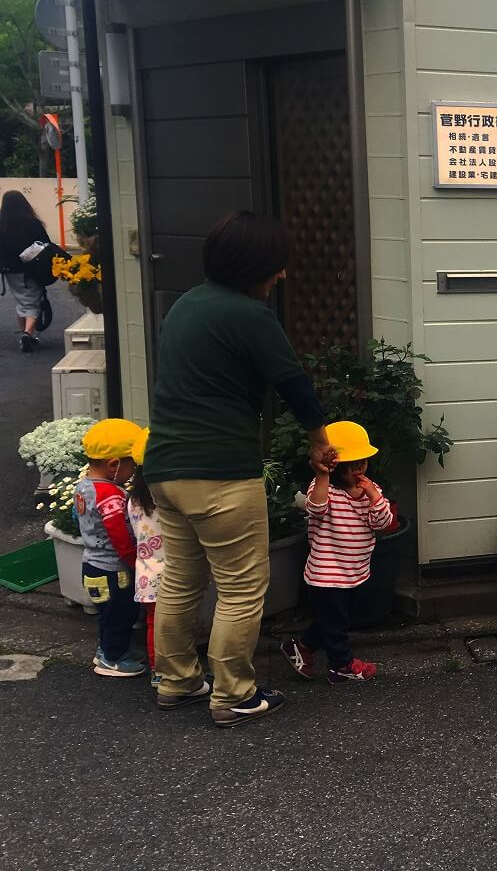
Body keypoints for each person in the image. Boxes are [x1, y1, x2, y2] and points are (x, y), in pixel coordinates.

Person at [146, 211, 336, 728]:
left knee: (182, 580)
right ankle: (233, 695)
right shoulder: (250, 314)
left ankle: (177, 681)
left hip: (164, 466)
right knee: (241, 586)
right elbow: (292, 383)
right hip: (221, 472)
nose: (283, 274)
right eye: (277, 265)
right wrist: (320, 442)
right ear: (258, 265)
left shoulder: (185, 305)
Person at [281, 421, 393, 684]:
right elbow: (316, 509)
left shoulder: (370, 491)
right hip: (325, 574)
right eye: (350, 466)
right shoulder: (325, 488)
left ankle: (302, 646)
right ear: (334, 466)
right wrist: (321, 475)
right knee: (336, 623)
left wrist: (374, 497)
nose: (358, 470)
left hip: (355, 571)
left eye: (362, 463)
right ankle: (341, 666)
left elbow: (383, 523)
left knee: (333, 619)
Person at [76, 418, 146, 679]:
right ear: (114, 464)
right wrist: (132, 559)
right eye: (132, 465)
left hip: (92, 564)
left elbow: (79, 519)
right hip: (114, 569)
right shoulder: (111, 495)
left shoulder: (84, 487)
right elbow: (117, 531)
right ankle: (113, 659)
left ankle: (106, 650)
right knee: (121, 613)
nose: (133, 473)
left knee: (107, 614)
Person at [127, 429, 165, 688]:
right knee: (175, 624)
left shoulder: (134, 499)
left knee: (154, 623)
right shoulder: (166, 498)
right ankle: (168, 669)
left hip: (146, 572)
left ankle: (157, 670)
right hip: (172, 571)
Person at [0, 190, 52, 353]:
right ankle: (28, 333)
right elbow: (46, 244)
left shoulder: (2, 224)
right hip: (31, 269)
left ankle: (25, 334)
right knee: (32, 301)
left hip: (9, 270)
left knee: (21, 300)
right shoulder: (32, 223)